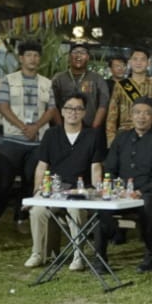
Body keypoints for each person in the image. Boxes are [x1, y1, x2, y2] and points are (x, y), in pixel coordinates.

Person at [26, 94, 106, 270]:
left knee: (75, 209)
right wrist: (37, 190)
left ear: (84, 113)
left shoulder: (92, 135)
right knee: (37, 210)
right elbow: (42, 166)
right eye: (69, 108)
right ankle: (37, 253)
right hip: (56, 187)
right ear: (62, 111)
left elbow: (96, 168)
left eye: (78, 109)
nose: (73, 112)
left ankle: (78, 256)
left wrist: (97, 191)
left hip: (81, 188)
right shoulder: (51, 134)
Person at [96, 98, 152, 272]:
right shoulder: (121, 138)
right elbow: (110, 169)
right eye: (137, 113)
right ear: (131, 116)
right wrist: (117, 189)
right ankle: (100, 258)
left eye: (146, 113)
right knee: (101, 207)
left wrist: (140, 191)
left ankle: (151, 256)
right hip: (122, 192)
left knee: (147, 204)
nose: (141, 117)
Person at [0, 40, 57, 230]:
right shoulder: (8, 80)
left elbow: (51, 109)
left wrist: (36, 127)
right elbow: (2, 107)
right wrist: (23, 127)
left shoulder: (46, 83)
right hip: (12, 139)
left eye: (36, 56)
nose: (33, 59)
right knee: (4, 183)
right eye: (29, 55)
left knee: (30, 182)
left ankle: (21, 218)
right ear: (21, 58)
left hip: (37, 141)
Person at [109, 47, 152, 143]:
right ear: (130, 62)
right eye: (135, 59)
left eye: (142, 59)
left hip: (150, 134)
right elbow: (112, 114)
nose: (138, 62)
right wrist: (111, 140)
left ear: (148, 63)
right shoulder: (121, 85)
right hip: (124, 133)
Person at [52, 43, 111, 133]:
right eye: (75, 52)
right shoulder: (58, 78)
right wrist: (61, 128)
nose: (78, 55)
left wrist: (93, 129)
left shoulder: (97, 79)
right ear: (69, 57)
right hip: (64, 128)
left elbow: (103, 105)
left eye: (83, 52)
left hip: (90, 128)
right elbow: (52, 105)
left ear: (88, 57)